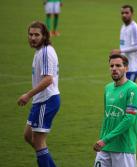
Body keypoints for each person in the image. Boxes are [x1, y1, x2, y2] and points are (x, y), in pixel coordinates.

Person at [17, 21, 60, 167]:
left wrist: (28, 95)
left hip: (47, 100)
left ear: (44, 36)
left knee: (39, 141)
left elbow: (48, 79)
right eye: (30, 34)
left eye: (37, 35)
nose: (33, 38)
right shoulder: (40, 51)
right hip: (40, 100)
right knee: (28, 136)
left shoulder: (46, 52)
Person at [93, 54, 137, 167]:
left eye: (118, 65)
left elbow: (129, 119)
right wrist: (102, 139)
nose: (114, 68)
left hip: (123, 148)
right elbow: (106, 116)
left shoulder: (133, 89)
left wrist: (105, 139)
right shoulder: (108, 88)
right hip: (104, 147)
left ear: (126, 68)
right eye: (111, 66)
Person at [111, 5, 137, 82]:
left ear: (132, 14)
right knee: (124, 91)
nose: (124, 15)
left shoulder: (134, 28)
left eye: (126, 13)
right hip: (124, 67)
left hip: (133, 67)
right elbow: (124, 44)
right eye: (122, 13)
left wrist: (120, 51)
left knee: (128, 90)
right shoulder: (123, 27)